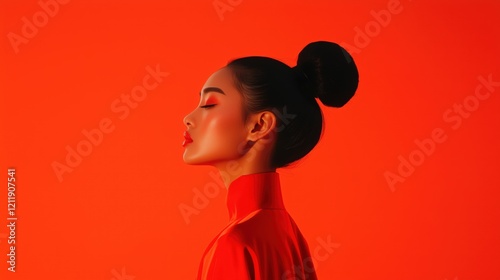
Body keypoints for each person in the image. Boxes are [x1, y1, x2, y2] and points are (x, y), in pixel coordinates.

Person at [182, 41, 359, 280]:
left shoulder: (235, 244)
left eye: (209, 104)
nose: (188, 118)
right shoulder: (290, 234)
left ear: (259, 125)